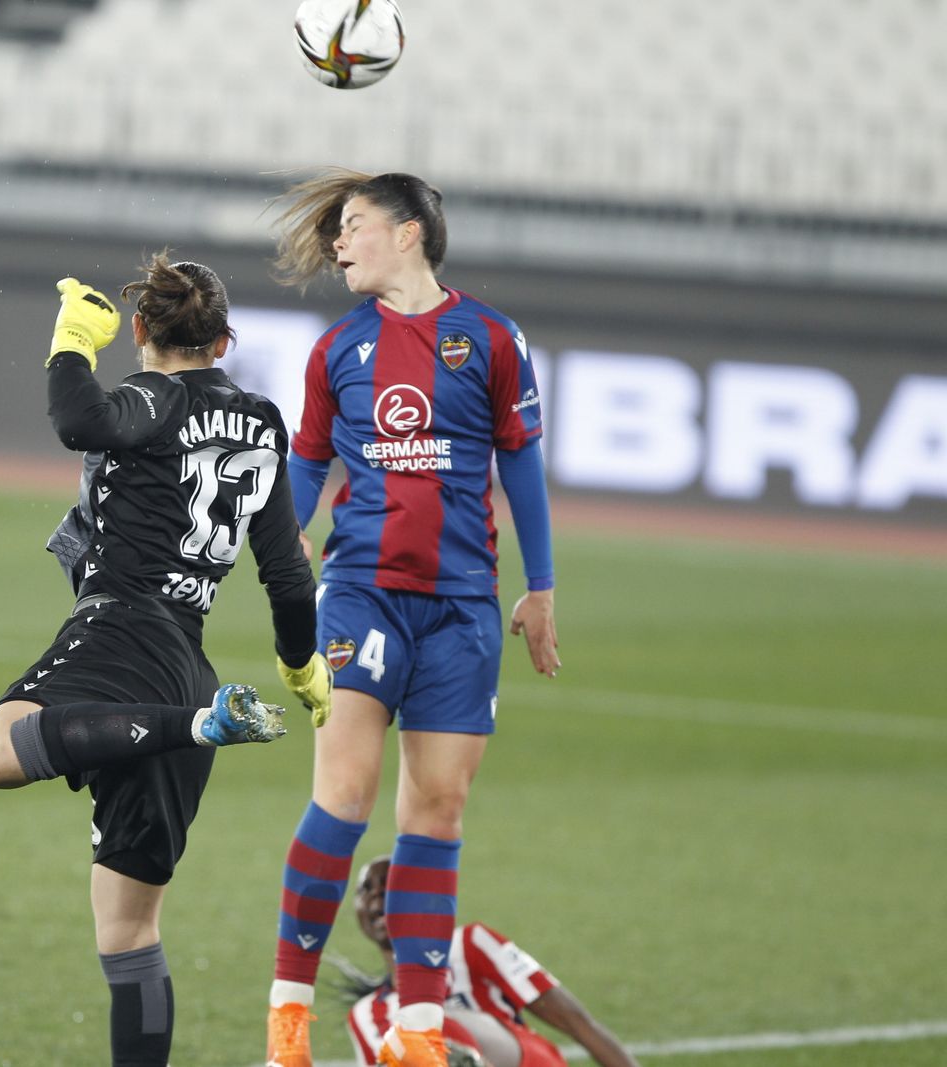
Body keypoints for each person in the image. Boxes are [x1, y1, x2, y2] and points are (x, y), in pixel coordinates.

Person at [0, 256, 333, 1067]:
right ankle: (197, 720)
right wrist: (303, 667)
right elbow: (285, 571)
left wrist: (70, 342)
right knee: (131, 932)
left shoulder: (152, 398)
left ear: (138, 331)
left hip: (120, 633)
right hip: (185, 654)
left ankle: (199, 726)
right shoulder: (265, 422)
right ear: (226, 340)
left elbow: (81, 421)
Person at [261, 169, 560, 1067]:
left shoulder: (493, 338)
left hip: (464, 608)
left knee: (436, 811)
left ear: (409, 234)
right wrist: (289, 540)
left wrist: (540, 587)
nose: (337, 244)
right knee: (344, 795)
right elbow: (307, 465)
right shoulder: (336, 352)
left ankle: (420, 1037)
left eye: (352, 226)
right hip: (360, 592)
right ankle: (287, 1025)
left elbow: (523, 469)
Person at [342, 856, 642, 1067]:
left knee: (423, 1024)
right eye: (366, 889)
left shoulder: (471, 943)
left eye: (390, 883)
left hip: (529, 1061)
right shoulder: (366, 1014)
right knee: (407, 1036)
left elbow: (577, 1023)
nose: (378, 895)